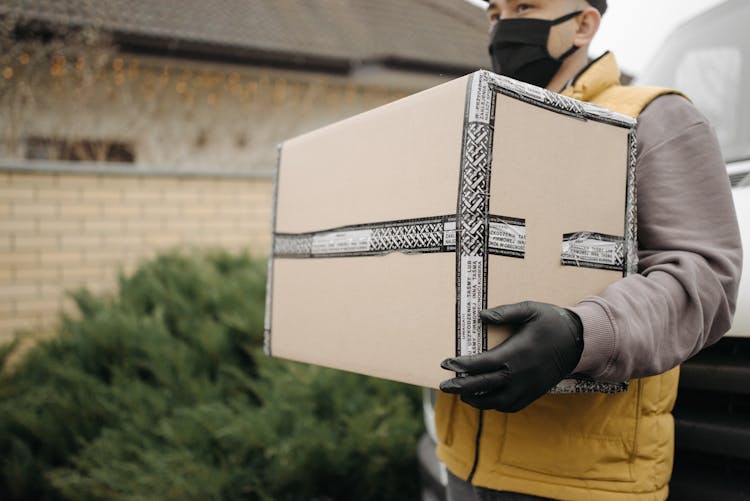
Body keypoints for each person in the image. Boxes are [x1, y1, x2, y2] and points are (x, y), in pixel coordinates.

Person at [435, 1, 743, 499]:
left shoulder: (657, 117)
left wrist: (580, 335)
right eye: (494, 12)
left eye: (524, 6)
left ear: (583, 24)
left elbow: (704, 282)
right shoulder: (482, 125)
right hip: (459, 458)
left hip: (579, 479)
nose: (502, 25)